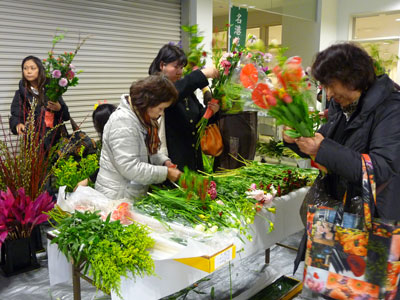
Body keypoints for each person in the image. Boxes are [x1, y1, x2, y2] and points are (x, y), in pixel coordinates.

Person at [287, 43, 400, 285]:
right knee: (332, 285)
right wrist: (296, 141)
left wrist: (322, 148)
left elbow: (380, 169)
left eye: (330, 86)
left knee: (364, 288)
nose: (327, 94)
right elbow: (326, 143)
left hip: (372, 221)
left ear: (352, 79)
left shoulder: (392, 109)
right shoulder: (343, 105)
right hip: (336, 216)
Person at [95, 75, 181, 200]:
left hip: (127, 192)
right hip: (117, 196)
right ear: (149, 102)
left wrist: (164, 162)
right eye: (160, 108)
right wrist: (166, 173)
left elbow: (145, 152)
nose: (161, 113)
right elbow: (130, 167)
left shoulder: (138, 117)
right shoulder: (123, 122)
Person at [149, 44, 219, 172]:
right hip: (170, 163)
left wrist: (210, 111)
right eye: (176, 67)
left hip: (192, 160)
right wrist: (201, 74)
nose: (180, 72)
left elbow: (197, 119)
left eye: (182, 67)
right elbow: (173, 95)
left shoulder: (184, 90)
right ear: (162, 65)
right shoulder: (156, 88)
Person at [9, 55, 70, 147]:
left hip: (56, 140)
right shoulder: (21, 94)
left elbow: (66, 116)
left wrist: (59, 108)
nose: (28, 71)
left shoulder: (51, 90)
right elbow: (16, 114)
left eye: (32, 68)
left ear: (40, 70)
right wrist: (17, 124)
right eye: (25, 68)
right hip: (34, 142)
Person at [74, 103, 116, 190]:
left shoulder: (115, 141)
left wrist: (88, 180)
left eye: (95, 123)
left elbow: (107, 165)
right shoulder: (109, 138)